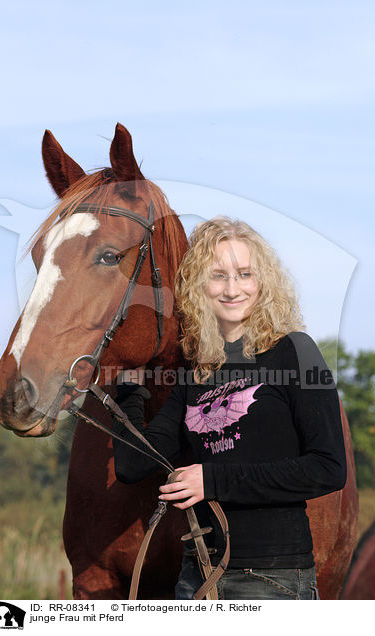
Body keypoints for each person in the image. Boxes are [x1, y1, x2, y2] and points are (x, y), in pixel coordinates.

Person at [111, 216, 347, 600]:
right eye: (218, 275)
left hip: (273, 579)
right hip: (197, 576)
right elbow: (133, 465)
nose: (232, 288)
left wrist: (211, 481)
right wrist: (128, 395)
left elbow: (328, 468)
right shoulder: (197, 373)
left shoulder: (294, 352)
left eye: (244, 274)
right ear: (198, 286)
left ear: (263, 282)